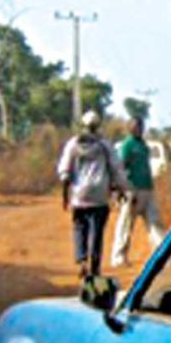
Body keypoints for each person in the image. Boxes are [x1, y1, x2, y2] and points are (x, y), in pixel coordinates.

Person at [57, 110, 128, 278]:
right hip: (99, 195)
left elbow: (64, 171)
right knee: (97, 232)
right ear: (98, 126)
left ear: (82, 125)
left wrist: (65, 196)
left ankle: (82, 260)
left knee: (79, 227)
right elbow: (116, 169)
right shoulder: (104, 146)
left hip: (79, 195)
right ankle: (95, 268)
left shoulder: (73, 144)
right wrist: (121, 189)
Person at [111, 116, 165, 268]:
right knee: (126, 224)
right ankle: (119, 257)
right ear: (130, 128)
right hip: (132, 190)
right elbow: (121, 167)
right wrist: (123, 189)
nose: (139, 129)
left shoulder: (143, 145)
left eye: (141, 126)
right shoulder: (127, 145)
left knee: (155, 222)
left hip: (147, 188)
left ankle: (161, 255)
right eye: (136, 126)